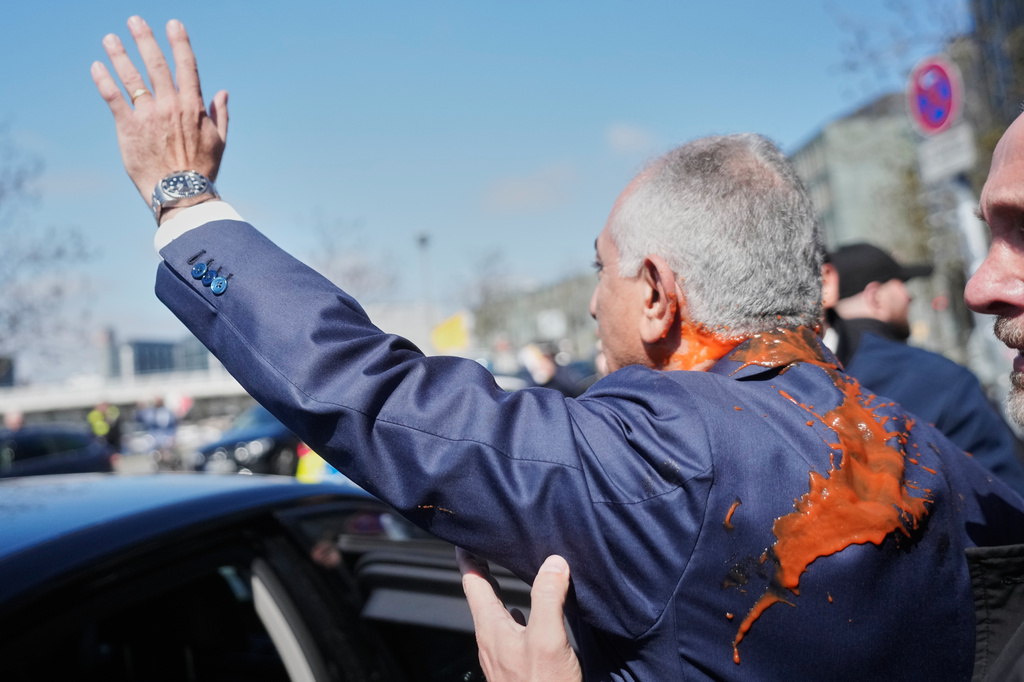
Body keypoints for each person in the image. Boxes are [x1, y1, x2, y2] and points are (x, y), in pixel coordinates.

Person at [92, 18, 1024, 679]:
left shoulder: (666, 457)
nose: (588, 305)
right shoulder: (943, 462)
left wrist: (185, 201)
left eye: (601, 270)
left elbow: (375, 395)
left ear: (657, 293)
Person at [825, 242, 1024, 495]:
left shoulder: (798, 380)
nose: (909, 296)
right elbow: (1007, 495)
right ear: (874, 297)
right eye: (900, 284)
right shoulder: (942, 380)